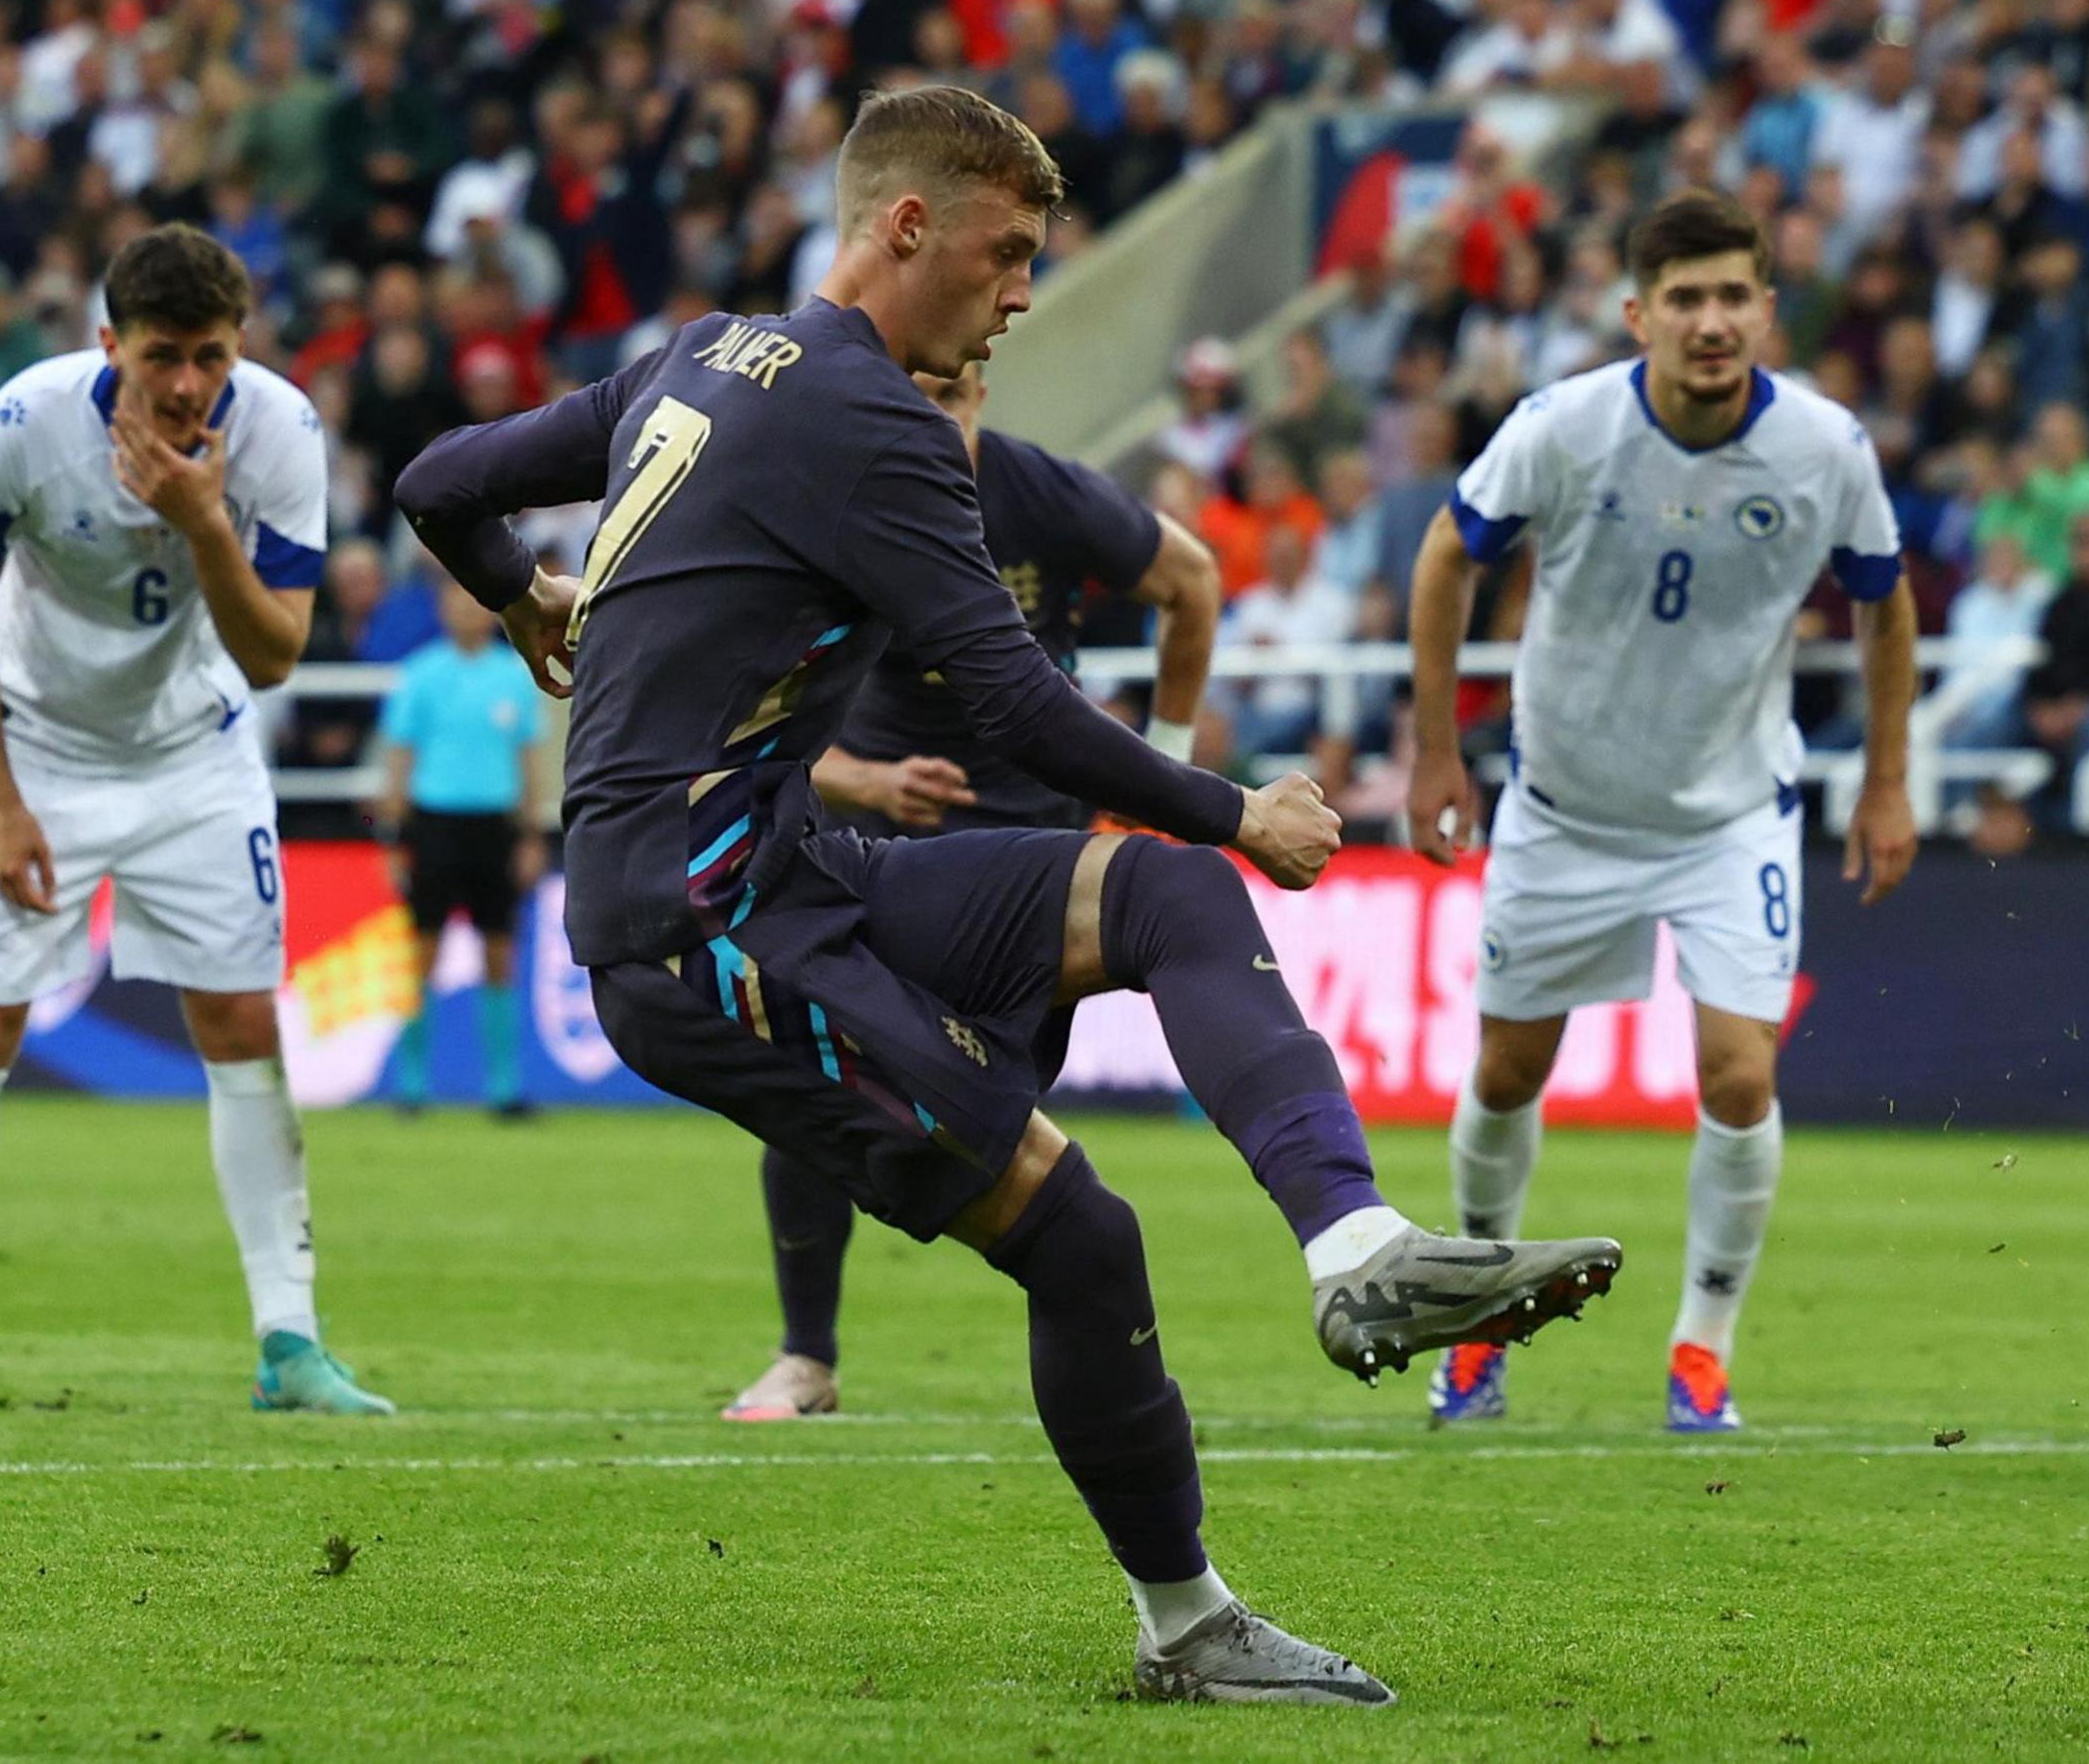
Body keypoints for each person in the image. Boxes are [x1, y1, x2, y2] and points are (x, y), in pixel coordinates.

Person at [394, 85, 1621, 1708]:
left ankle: (1358, 1243)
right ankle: (1188, 1623)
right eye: (1010, 252)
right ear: (909, 226)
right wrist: (1238, 804)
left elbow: (435, 476)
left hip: (784, 857)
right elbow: (1019, 705)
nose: (1026, 292)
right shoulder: (872, 418)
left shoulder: (696, 352)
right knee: (1083, 1232)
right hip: (698, 926)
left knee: (1166, 905)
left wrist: (523, 591)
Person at [1403, 189, 1921, 1436]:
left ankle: (1703, 1344)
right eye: (1684, 298)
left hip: (1731, 814)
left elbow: (1884, 600)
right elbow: (1446, 555)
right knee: (1509, 1063)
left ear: (1765, 307)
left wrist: (1891, 776)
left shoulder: (1825, 448)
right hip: (1565, 808)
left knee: (1740, 1073)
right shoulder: (1564, 427)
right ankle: (1482, 1323)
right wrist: (1434, 753)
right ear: (1638, 315)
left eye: (1734, 294)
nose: (1711, 320)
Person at [724, 356, 1225, 1425]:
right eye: (912, 401)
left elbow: (1193, 581)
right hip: (864, 848)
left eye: (949, 402)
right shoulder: (825, 501)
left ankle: (1092, 1351)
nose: (932, 422)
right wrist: (864, 776)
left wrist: (1163, 773)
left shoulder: (1043, 494)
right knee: (807, 1088)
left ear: (982, 399)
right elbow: (738, 710)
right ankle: (804, 1354)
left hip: (1031, 853)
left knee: (995, 1114)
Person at [0, 225, 390, 1415]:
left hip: (193, 751)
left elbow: (274, 656)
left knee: (238, 1017)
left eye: (209, 355)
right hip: (36, 745)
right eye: (160, 353)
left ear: (238, 347)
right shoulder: (20, 427)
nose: (185, 383)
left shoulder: (279, 430)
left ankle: (290, 1343)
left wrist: (207, 520)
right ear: (107, 341)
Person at [373, 572, 551, 1119]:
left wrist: (531, 834)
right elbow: (399, 759)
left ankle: (503, 1086)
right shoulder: (421, 674)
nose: (466, 612)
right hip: (435, 823)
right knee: (422, 951)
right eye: (456, 601)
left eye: (475, 602)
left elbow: (530, 761)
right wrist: (393, 838)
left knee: (499, 953)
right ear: (443, 609)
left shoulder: (513, 678)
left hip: (494, 825)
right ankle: (412, 1083)